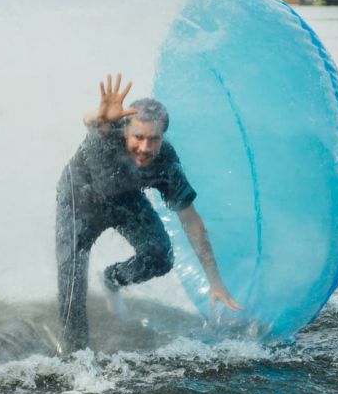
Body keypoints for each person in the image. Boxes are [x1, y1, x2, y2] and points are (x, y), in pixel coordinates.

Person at [56, 74, 242, 352]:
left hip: (125, 202)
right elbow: (91, 120)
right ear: (125, 130)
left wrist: (215, 281)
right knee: (73, 290)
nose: (145, 148)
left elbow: (191, 221)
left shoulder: (166, 161)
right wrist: (100, 115)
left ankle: (112, 279)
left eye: (153, 139)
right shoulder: (107, 131)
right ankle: (76, 359)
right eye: (139, 137)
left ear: (162, 137)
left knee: (160, 255)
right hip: (78, 204)